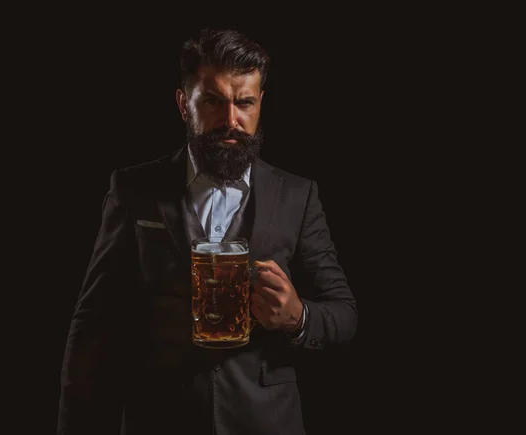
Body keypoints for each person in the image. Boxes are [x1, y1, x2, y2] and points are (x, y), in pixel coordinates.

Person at [57, 28, 358, 435]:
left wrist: (297, 317)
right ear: (184, 104)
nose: (231, 120)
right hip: (159, 419)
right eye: (214, 101)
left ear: (260, 104)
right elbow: (92, 323)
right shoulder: (133, 191)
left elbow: (343, 313)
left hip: (266, 421)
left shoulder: (299, 196)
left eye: (245, 103)